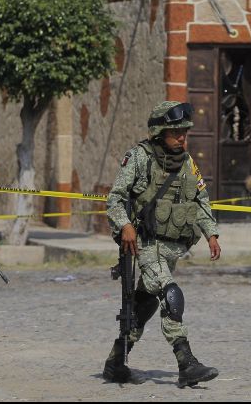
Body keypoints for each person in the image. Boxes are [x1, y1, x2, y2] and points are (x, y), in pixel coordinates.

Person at [103, 100, 222, 388]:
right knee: (171, 294)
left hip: (172, 247)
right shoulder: (139, 158)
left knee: (143, 305)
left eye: (184, 132)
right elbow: (115, 198)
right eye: (175, 132)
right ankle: (186, 363)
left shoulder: (187, 162)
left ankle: (115, 362)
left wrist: (211, 233)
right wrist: (126, 225)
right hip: (145, 244)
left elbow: (201, 200)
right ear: (159, 133)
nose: (182, 137)